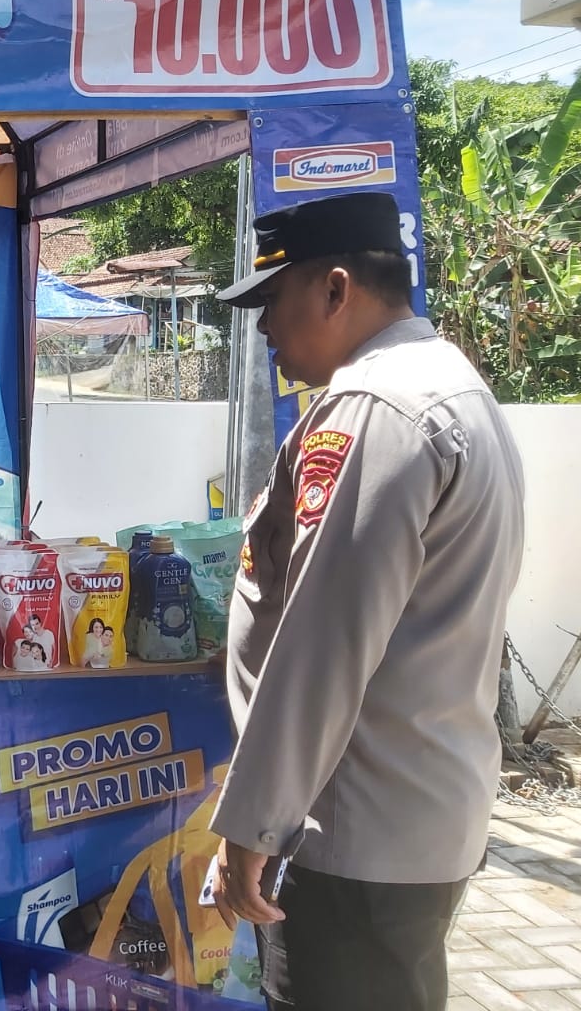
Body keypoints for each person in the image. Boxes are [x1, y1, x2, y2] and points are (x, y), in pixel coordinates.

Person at [207, 191, 525, 1011]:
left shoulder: (376, 407)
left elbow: (324, 641)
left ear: (336, 288)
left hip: (354, 827)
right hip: (414, 809)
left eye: (273, 299)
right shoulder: (453, 387)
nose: (264, 327)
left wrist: (254, 823)